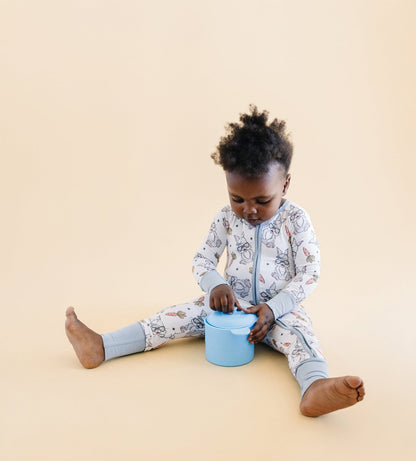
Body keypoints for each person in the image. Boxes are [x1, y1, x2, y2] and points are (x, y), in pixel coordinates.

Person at [65, 105, 365, 417]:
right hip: (228, 309)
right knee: (169, 318)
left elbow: (309, 273)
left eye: (262, 200)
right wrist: (216, 285)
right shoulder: (225, 219)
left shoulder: (296, 220)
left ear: (285, 185)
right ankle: (102, 346)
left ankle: (314, 387)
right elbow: (203, 259)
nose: (248, 210)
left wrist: (274, 308)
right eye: (237, 198)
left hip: (280, 311)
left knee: (302, 339)